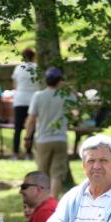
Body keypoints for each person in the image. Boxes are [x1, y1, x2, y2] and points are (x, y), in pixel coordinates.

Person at [24, 67, 76, 198]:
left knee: (42, 173)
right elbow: (76, 113)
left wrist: (27, 137)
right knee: (57, 173)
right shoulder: (66, 96)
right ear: (60, 81)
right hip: (60, 139)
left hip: (43, 139)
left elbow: (31, 120)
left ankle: (42, 201)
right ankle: (52, 201)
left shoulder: (38, 96)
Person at [11, 48, 40, 159]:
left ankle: (15, 153)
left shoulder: (19, 68)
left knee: (17, 128)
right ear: (34, 56)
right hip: (33, 100)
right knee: (31, 128)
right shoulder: (38, 68)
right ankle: (28, 153)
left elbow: (15, 85)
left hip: (20, 100)